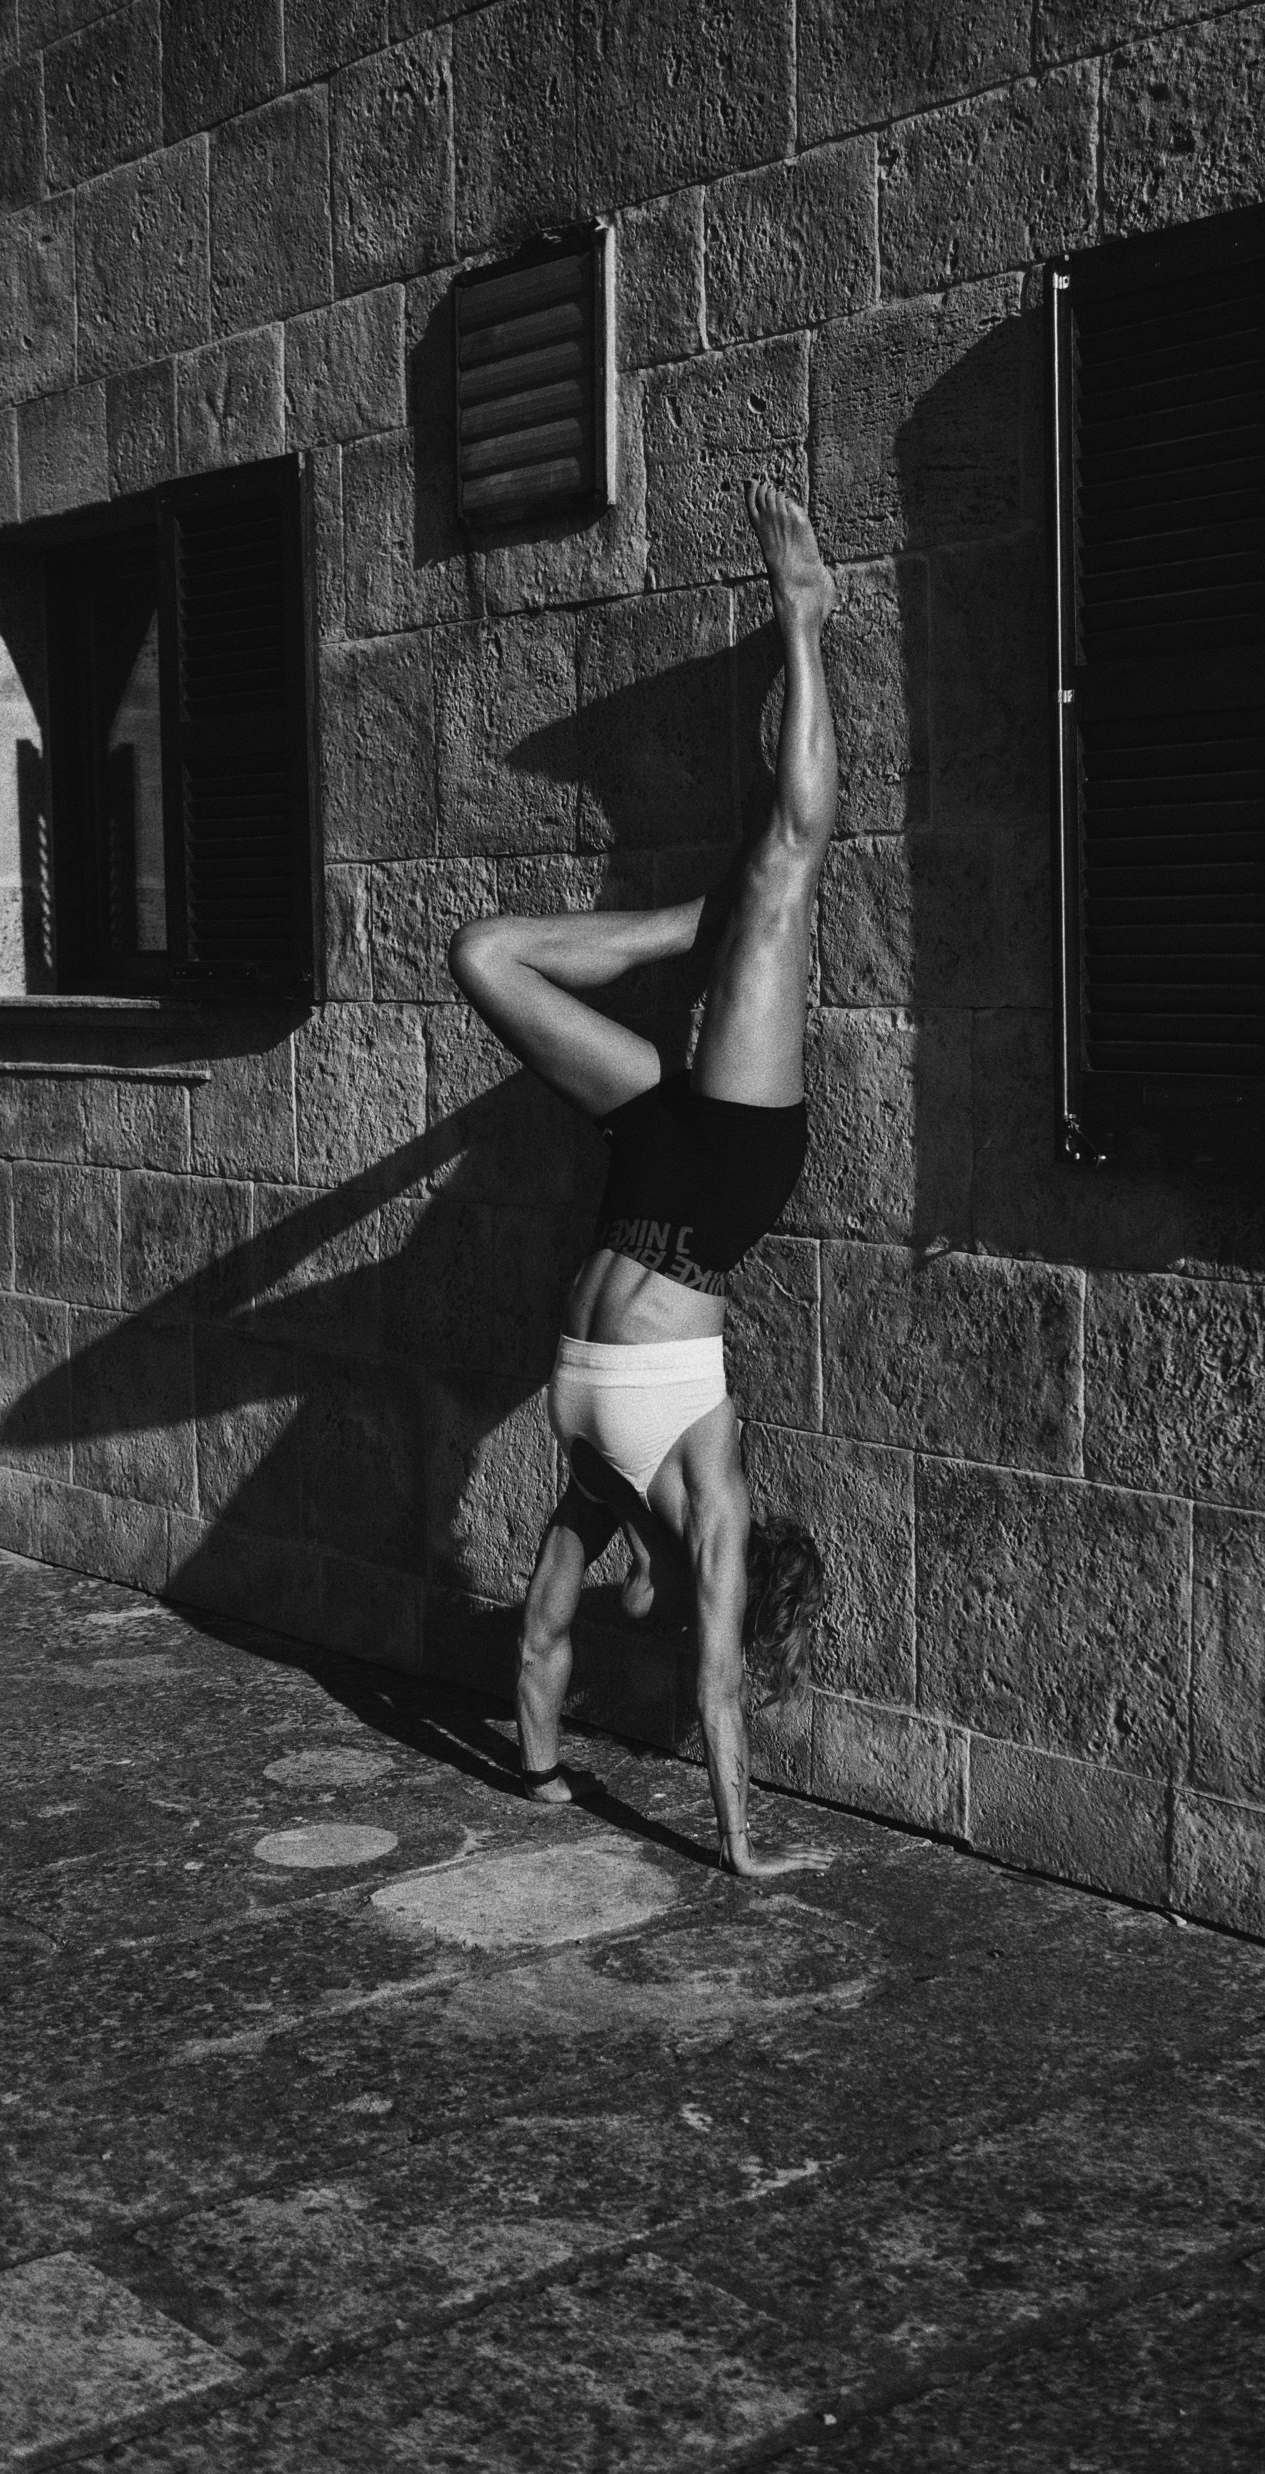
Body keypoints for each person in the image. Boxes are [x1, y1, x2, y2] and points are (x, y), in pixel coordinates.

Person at [449, 480, 839, 1881]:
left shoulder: (604, 1491)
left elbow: (539, 1628)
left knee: (486, 957)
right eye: (681, 1604)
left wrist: (542, 1772)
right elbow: (719, 1698)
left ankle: (706, 914)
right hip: (726, 1168)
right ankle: (806, 624)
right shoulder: (708, 1491)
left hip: (640, 1169)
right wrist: (743, 1852)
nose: (671, 1610)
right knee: (787, 867)